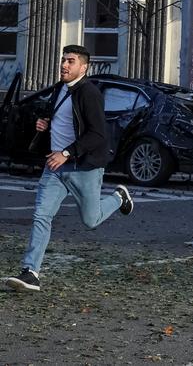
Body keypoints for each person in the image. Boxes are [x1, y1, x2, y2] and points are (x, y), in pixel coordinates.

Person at [6, 45, 134, 293]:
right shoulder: (59, 89)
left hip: (82, 168)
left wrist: (67, 153)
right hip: (55, 167)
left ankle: (118, 197)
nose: (64, 65)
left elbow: (97, 135)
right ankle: (31, 272)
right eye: (63, 60)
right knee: (41, 216)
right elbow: (63, 122)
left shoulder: (90, 93)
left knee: (91, 220)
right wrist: (45, 124)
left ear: (83, 67)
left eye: (71, 61)